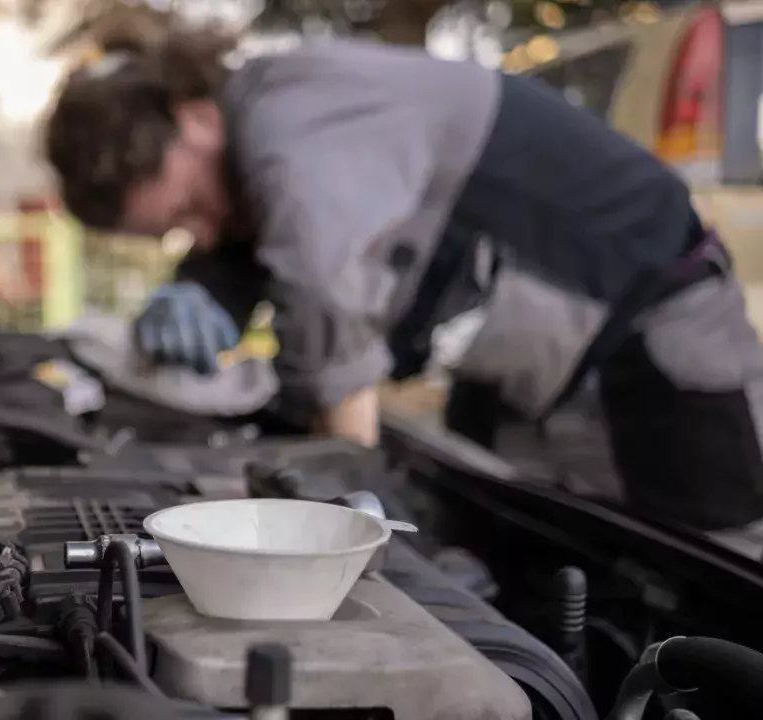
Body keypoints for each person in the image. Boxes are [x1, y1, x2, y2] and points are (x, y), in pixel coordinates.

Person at [42, 32, 763, 534]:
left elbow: (321, 295)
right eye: (176, 234)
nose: (199, 233)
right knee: (529, 564)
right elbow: (252, 233)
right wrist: (204, 286)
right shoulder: (259, 132)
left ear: (194, 116)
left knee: (711, 580)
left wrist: (345, 503)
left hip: (657, 324)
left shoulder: (291, 123)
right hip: (523, 373)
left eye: (190, 209)